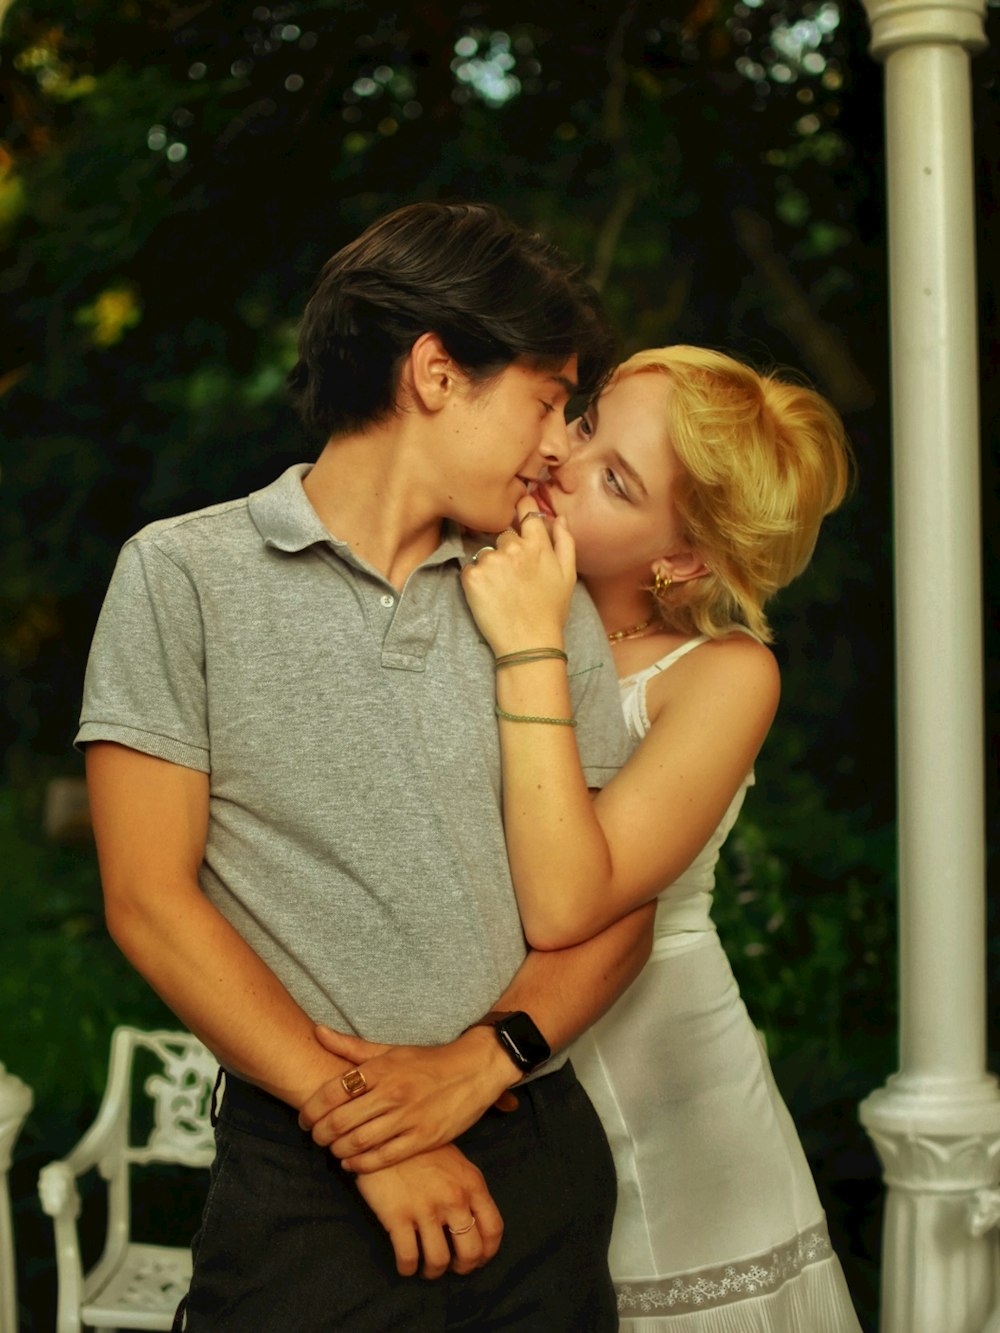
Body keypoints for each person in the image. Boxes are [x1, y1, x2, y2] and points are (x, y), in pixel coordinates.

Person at [77, 200, 657, 1331]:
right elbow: (148, 900)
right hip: (304, 1169)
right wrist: (368, 1130)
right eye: (546, 399)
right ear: (437, 373)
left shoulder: (542, 594)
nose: (558, 445)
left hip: (536, 1150)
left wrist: (480, 1068)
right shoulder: (183, 575)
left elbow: (619, 903)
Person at [307, 346, 863, 1330]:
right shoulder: (455, 579)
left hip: (665, 1102)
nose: (564, 458)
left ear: (680, 558)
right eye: (588, 420)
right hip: (482, 1091)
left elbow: (566, 900)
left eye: (615, 478)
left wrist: (528, 644)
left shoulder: (722, 675)